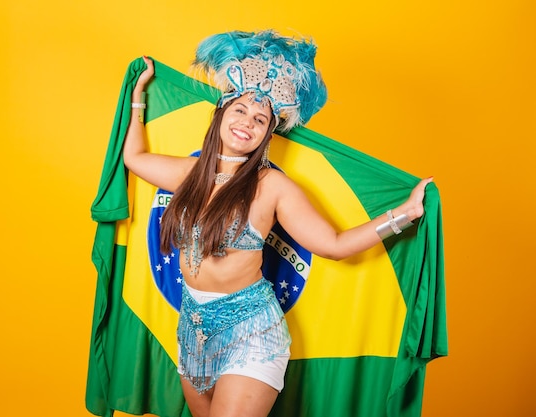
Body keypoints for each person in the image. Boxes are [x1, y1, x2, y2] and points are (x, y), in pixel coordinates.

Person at [122, 30, 432, 417]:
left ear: (268, 133)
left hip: (252, 334)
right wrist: (138, 99)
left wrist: (405, 214)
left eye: (259, 119)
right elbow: (134, 158)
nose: (246, 123)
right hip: (193, 330)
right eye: (239, 110)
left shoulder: (271, 186)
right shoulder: (189, 174)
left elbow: (333, 244)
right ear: (221, 112)